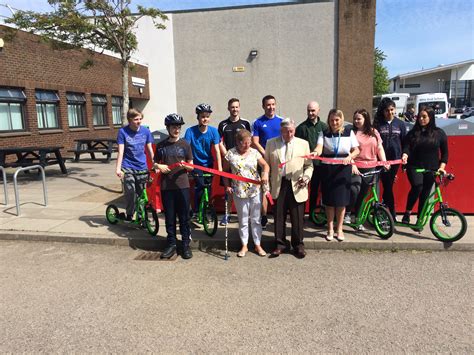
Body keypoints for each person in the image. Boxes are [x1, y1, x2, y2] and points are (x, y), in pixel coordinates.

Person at [265, 118, 313, 258]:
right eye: (286, 132)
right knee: (279, 216)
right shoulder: (271, 143)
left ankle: (298, 245)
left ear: (294, 130)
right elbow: (266, 165)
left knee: (297, 217)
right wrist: (266, 183)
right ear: (281, 131)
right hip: (278, 184)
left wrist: (306, 178)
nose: (289, 134)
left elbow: (309, 165)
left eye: (291, 131)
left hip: (297, 184)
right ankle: (280, 244)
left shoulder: (303, 144)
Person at [313, 109, 359, 241]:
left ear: (341, 120)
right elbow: (319, 147)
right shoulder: (324, 133)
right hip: (328, 170)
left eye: (337, 120)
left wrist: (350, 156)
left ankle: (339, 229)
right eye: (332, 120)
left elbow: (357, 150)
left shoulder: (348, 132)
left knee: (341, 202)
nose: (334, 122)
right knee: (329, 202)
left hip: (343, 170)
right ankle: (330, 229)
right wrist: (315, 153)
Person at [223, 129, 269, 257]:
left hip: (255, 191)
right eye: (244, 143)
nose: (248, 145)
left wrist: (265, 174)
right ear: (237, 142)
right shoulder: (230, 154)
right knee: (243, 220)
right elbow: (225, 172)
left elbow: (265, 165)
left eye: (249, 142)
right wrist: (227, 186)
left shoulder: (254, 152)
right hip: (239, 191)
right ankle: (244, 245)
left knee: (256, 219)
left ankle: (257, 244)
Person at [154, 114, 194, 259]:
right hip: (167, 187)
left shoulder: (185, 144)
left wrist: (187, 166)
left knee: (184, 217)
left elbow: (191, 164)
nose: (176, 129)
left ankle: (185, 245)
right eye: (173, 127)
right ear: (168, 128)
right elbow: (154, 164)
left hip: (182, 186)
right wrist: (159, 165)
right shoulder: (161, 146)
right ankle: (171, 244)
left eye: (178, 127)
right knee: (170, 218)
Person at [401, 106, 448, 224]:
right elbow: (406, 147)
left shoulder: (439, 133)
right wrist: (405, 154)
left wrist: (441, 168)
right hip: (414, 166)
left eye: (424, 117)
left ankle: (420, 218)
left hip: (431, 168)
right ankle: (407, 212)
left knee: (425, 193)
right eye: (419, 117)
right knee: (417, 186)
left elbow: (445, 153)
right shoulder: (413, 133)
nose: (421, 119)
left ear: (431, 117)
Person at [346, 109, 388, 229]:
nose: (356, 121)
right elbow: (349, 151)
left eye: (359, 118)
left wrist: (384, 161)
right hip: (356, 166)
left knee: (364, 194)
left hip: (371, 166)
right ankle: (348, 212)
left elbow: (379, 148)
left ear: (366, 119)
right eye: (355, 119)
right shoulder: (351, 133)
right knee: (355, 189)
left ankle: (358, 219)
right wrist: (353, 164)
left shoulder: (374, 132)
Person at [115, 108, 154, 221]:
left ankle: (141, 215)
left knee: (142, 194)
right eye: (136, 119)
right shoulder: (123, 132)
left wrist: (154, 164)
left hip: (142, 166)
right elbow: (121, 152)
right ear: (130, 119)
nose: (139, 121)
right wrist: (118, 169)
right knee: (131, 191)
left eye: (140, 119)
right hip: (128, 167)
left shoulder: (145, 131)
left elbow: (150, 150)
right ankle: (129, 213)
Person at [184, 103, 222, 219]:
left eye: (207, 116)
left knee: (208, 187)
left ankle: (205, 209)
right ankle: (196, 211)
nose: (205, 119)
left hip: (208, 163)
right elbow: (187, 148)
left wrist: (219, 167)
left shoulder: (213, 131)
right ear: (198, 118)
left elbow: (217, 150)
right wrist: (188, 164)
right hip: (196, 164)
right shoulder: (190, 131)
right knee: (200, 186)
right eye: (202, 116)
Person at [218, 98, 251, 226]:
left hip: (243, 161)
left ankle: (245, 215)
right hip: (230, 159)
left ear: (239, 108)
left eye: (237, 107)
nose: (235, 109)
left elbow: (249, 141)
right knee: (229, 188)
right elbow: (220, 142)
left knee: (245, 186)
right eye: (232, 107)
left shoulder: (245, 123)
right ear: (228, 108)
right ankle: (227, 215)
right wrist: (227, 155)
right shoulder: (223, 125)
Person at [252, 95, 283, 229]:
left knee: (278, 187)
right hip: (263, 161)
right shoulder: (258, 122)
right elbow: (255, 142)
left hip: (279, 161)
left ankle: (279, 215)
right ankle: (263, 216)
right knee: (264, 188)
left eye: (273, 104)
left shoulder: (282, 121)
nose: (271, 107)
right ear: (263, 106)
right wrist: (266, 154)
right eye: (268, 105)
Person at [373, 97, 407, 220]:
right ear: (383, 111)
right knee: (386, 186)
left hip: (396, 160)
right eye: (387, 110)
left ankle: (386, 210)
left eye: (392, 109)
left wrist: (404, 159)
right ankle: (391, 213)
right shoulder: (377, 125)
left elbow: (405, 142)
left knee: (388, 186)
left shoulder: (400, 124)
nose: (390, 112)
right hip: (381, 160)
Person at [295, 101, 328, 216]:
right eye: (309, 110)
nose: (311, 113)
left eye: (313, 110)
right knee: (304, 190)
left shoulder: (325, 127)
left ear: (318, 110)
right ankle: (302, 214)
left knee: (318, 191)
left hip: (321, 165)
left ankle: (315, 214)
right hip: (306, 165)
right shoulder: (301, 128)